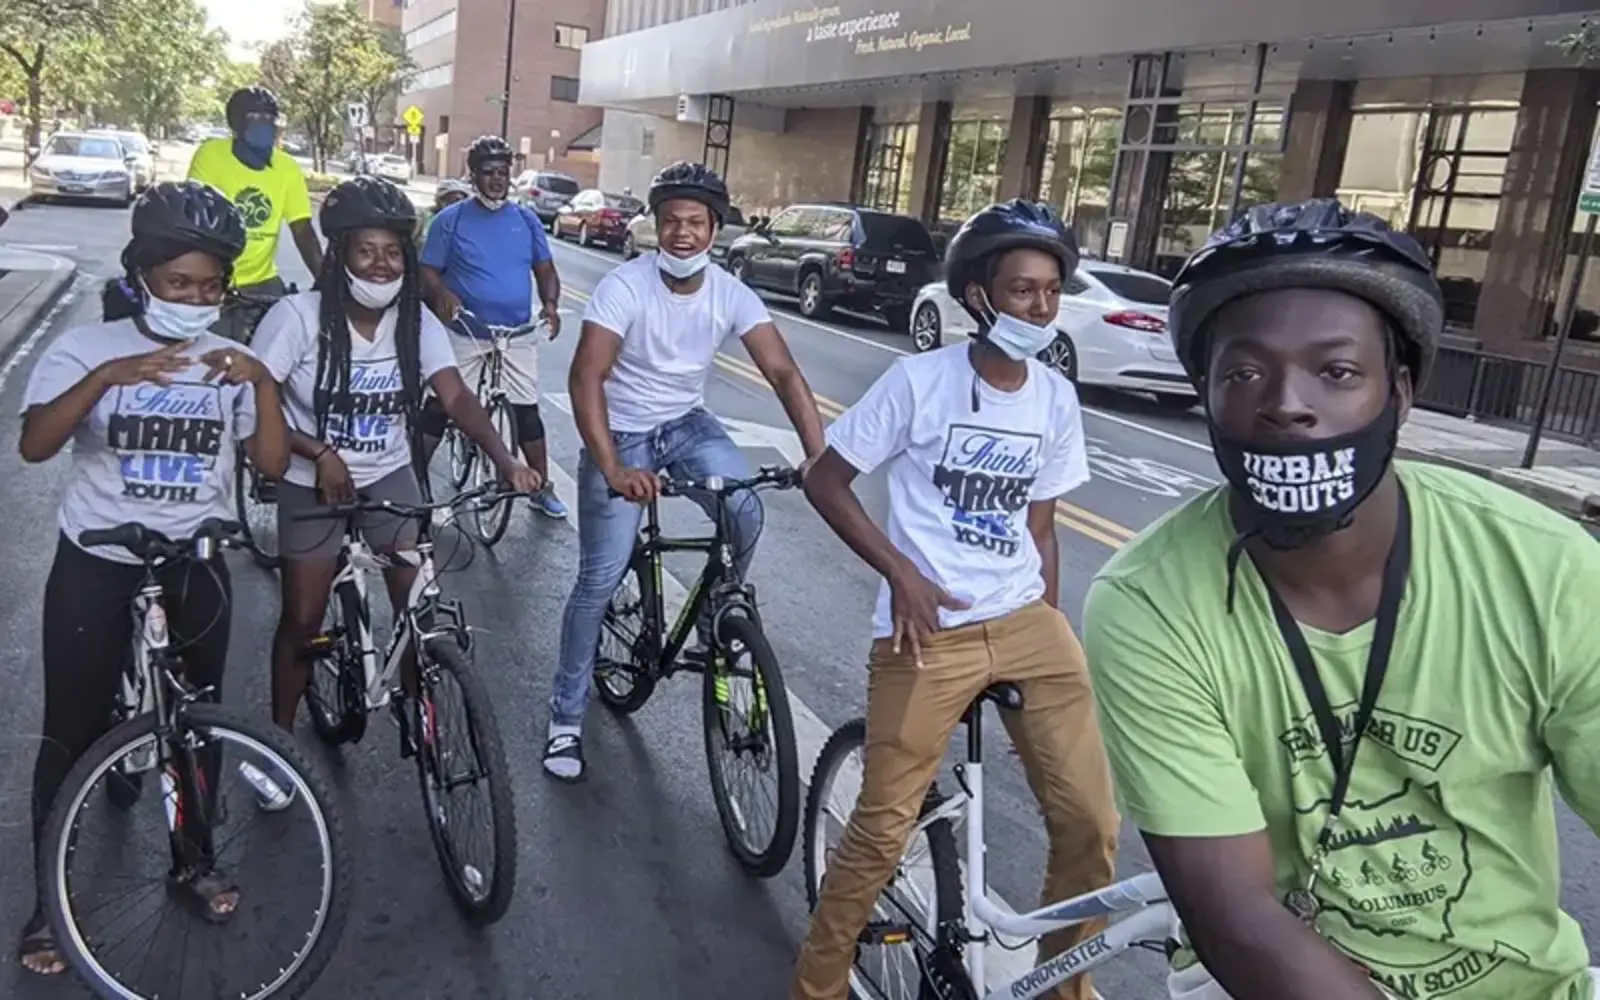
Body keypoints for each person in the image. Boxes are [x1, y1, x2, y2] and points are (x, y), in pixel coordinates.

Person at [1081, 198, 1600, 1000]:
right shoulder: (1150, 605)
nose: (1287, 402)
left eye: (1337, 371)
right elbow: (1237, 916)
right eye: (1244, 372)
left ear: (1399, 392)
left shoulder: (1547, 568)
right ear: (1206, 396)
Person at [791, 200, 1119, 1000]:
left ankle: (1061, 989)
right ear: (978, 297)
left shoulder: (1054, 398)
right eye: (1021, 291)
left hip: (1024, 623)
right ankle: (819, 983)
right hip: (926, 629)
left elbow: (1041, 525)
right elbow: (825, 480)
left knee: (1093, 828)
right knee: (881, 828)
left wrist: (1047, 622)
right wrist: (900, 572)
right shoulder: (919, 382)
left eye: (1050, 291)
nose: (1039, 308)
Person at [15, 181, 291, 974]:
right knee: (69, 733)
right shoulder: (88, 350)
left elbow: (270, 466)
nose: (196, 300)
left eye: (210, 287)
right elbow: (35, 445)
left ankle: (194, 861)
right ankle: (49, 905)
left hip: (194, 556)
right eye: (179, 285)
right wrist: (112, 376)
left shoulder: (231, 364)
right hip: (99, 555)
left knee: (198, 720)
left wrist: (263, 386)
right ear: (142, 278)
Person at [248, 176, 541, 806]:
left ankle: (422, 713)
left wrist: (503, 459)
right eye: (366, 251)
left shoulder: (414, 321)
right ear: (339, 255)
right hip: (311, 481)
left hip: (388, 474)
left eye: (393, 252)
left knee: (418, 605)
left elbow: (455, 395)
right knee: (302, 618)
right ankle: (277, 746)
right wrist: (316, 453)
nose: (381, 264)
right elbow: (258, 398)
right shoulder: (295, 318)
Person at [553, 160, 827, 782]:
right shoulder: (625, 286)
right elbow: (585, 376)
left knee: (745, 509)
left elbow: (783, 373)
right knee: (599, 580)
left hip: (685, 425)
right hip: (621, 432)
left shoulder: (731, 293)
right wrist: (613, 466)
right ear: (656, 225)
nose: (683, 233)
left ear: (715, 229)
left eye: (696, 222)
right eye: (672, 221)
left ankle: (715, 615)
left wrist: (819, 459)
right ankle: (565, 720)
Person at [418, 135, 566, 519]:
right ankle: (413, 482)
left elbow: (545, 269)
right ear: (473, 175)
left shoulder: (526, 220)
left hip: (516, 333)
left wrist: (550, 304)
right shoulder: (450, 220)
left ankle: (541, 487)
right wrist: (442, 293)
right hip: (467, 330)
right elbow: (427, 271)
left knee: (526, 412)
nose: (497, 180)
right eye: (488, 173)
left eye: (503, 172)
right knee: (440, 405)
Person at [187, 85, 323, 343]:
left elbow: (302, 230)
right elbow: (197, 216)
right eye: (256, 118)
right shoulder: (211, 155)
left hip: (262, 281)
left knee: (287, 341)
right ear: (236, 123)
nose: (266, 125)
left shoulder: (287, 168)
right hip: (213, 274)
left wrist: (326, 279)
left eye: (271, 119)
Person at [418, 177, 471, 244]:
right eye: (453, 200)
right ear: (440, 200)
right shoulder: (424, 217)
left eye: (461, 200)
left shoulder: (466, 222)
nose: (457, 205)